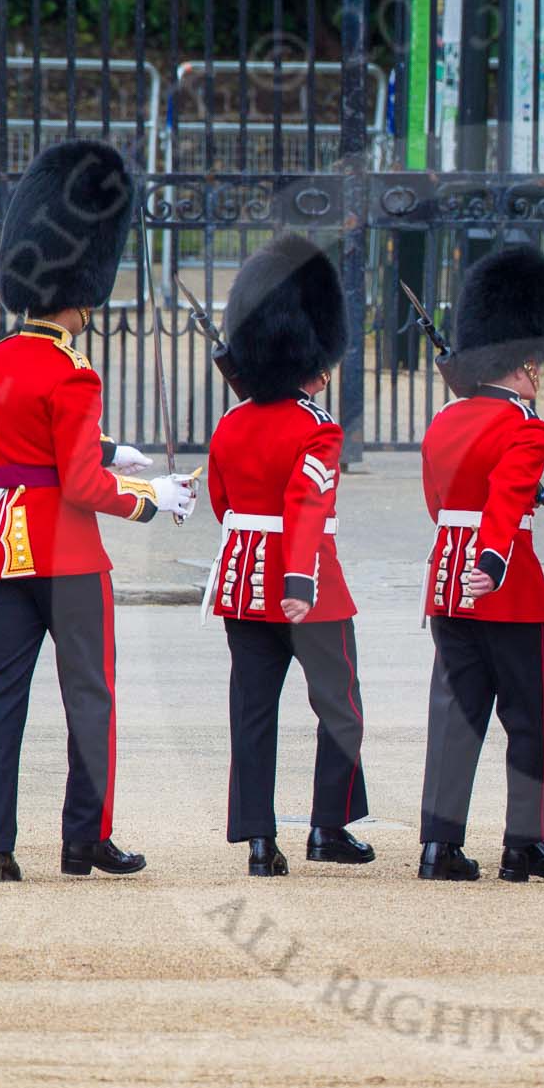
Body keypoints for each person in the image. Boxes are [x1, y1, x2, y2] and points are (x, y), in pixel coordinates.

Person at [0, 140, 197, 883]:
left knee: (1, 698)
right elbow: (80, 485)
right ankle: (85, 836)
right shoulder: (73, 372)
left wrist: (112, 447)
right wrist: (153, 500)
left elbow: (28, 443)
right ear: (83, 294)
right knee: (91, 696)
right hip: (66, 555)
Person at [206, 234, 373, 878]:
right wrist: (299, 575)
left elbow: (224, 504)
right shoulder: (317, 426)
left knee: (252, 713)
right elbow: (309, 504)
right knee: (339, 704)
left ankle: (257, 839)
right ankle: (328, 826)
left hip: (240, 582)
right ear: (317, 358)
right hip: (307, 585)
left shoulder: (232, 423)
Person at [414, 245, 544, 884]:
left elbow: (438, 501)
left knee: (455, 717)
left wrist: (467, 553)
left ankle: (439, 846)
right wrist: (493, 559)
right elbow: (508, 500)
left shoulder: (444, 420)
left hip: (446, 582)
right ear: (527, 363)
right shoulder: (528, 427)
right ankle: (525, 843)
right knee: (529, 719)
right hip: (508, 585)